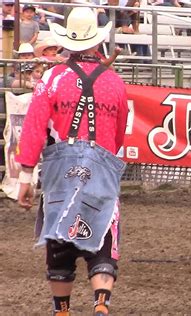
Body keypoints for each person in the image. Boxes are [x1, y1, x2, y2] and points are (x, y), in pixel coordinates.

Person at [16, 7, 128, 316]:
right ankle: (102, 300)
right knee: (103, 230)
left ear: (69, 41)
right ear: (96, 42)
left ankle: (62, 309)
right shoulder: (114, 81)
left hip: (62, 168)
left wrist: (26, 174)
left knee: (60, 235)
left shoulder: (52, 78)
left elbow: (35, 126)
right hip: (101, 165)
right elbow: (119, 135)